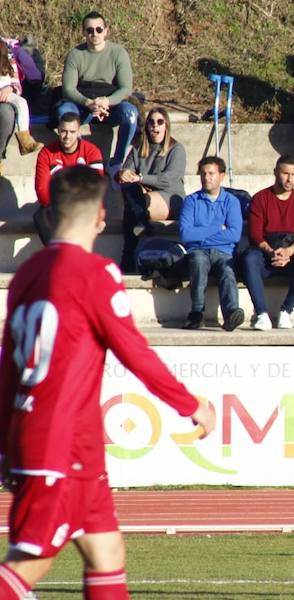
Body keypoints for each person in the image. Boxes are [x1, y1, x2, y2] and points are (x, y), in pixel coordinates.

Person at [0, 165, 215, 600]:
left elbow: (8, 366)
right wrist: (190, 403)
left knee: (106, 551)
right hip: (58, 444)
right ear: (101, 215)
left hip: (68, 445)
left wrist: (5, 444)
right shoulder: (94, 273)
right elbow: (133, 350)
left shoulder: (26, 273)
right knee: (29, 561)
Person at [56, 11, 139, 170]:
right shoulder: (75, 54)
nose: (94, 33)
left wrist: (107, 101)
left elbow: (126, 88)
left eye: (99, 29)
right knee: (63, 112)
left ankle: (116, 162)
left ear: (106, 31)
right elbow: (68, 89)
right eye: (90, 30)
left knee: (131, 114)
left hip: (110, 106)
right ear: (84, 33)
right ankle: (71, 157)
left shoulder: (118, 53)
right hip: (83, 104)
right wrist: (88, 103)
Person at [241, 155, 294, 331]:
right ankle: (261, 314)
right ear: (275, 172)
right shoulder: (260, 198)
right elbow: (255, 235)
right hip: (265, 251)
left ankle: (286, 311)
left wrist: (288, 252)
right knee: (249, 259)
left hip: (291, 250)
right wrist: (272, 251)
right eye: (285, 173)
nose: (289, 179)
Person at [117, 106, 187, 273]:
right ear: (147, 126)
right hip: (143, 198)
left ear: (166, 126)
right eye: (151, 122)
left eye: (160, 122)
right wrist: (123, 173)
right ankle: (141, 223)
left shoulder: (176, 149)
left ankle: (127, 259)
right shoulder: (138, 148)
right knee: (130, 193)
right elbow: (126, 175)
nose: (155, 127)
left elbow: (169, 179)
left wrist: (141, 178)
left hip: (171, 198)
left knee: (134, 207)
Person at [179, 156, 244, 331]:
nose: (206, 177)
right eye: (203, 173)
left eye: (211, 173)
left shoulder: (232, 202)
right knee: (198, 262)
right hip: (198, 251)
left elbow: (234, 234)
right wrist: (217, 227)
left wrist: (201, 233)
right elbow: (185, 234)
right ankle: (197, 313)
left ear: (222, 175)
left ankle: (231, 314)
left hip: (224, 252)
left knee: (228, 271)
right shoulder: (191, 201)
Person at [33, 112, 104, 245]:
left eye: (72, 132)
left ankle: (75, 258)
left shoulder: (92, 152)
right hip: (57, 203)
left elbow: (96, 188)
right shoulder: (46, 153)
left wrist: (97, 213)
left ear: (78, 132)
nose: (67, 136)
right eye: (63, 131)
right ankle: (56, 255)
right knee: (40, 216)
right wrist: (63, 209)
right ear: (58, 130)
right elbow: (41, 190)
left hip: (82, 202)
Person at [0, 48, 41, 157]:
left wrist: (11, 88)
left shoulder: (7, 52)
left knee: (22, 102)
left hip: (6, 91)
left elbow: (16, 82)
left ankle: (25, 142)